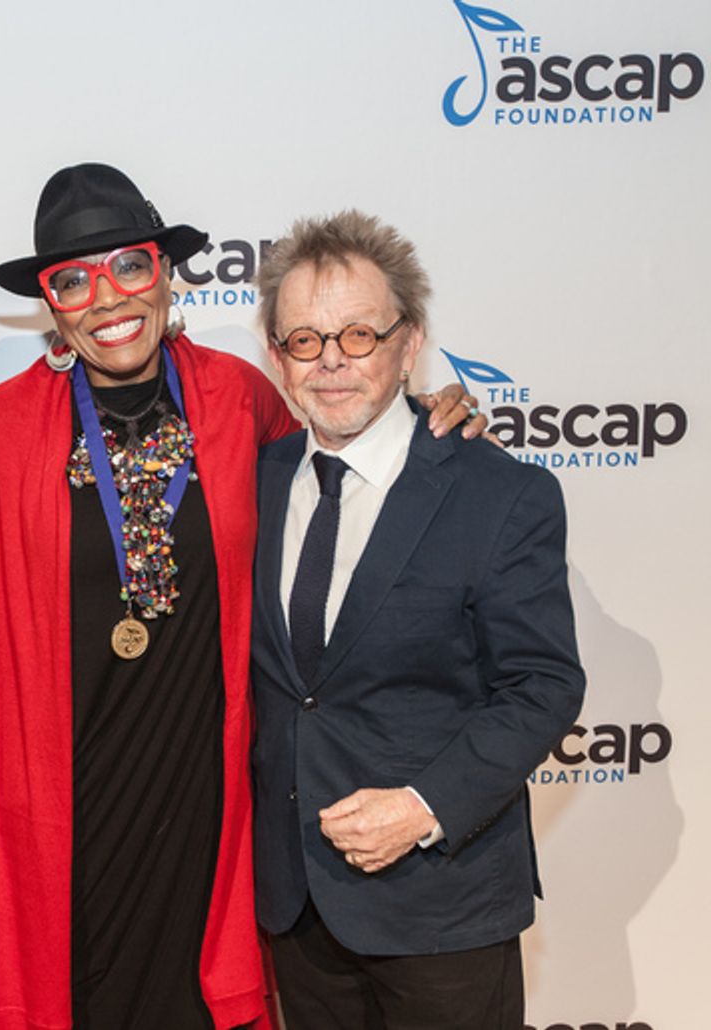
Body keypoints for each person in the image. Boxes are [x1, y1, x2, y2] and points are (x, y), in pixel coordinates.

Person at [0, 164, 482, 1028]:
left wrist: (429, 415)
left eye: (130, 266)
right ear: (52, 304)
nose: (107, 297)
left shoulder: (241, 401)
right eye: (73, 279)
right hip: (62, 803)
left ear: (166, 275)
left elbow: (346, 478)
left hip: (202, 797)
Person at [249, 210, 586, 1029]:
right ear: (277, 356)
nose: (331, 361)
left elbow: (543, 685)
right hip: (297, 912)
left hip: (445, 910)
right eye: (305, 339)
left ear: (411, 342)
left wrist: (423, 808)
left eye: (359, 334)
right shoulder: (255, 479)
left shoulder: (498, 491)